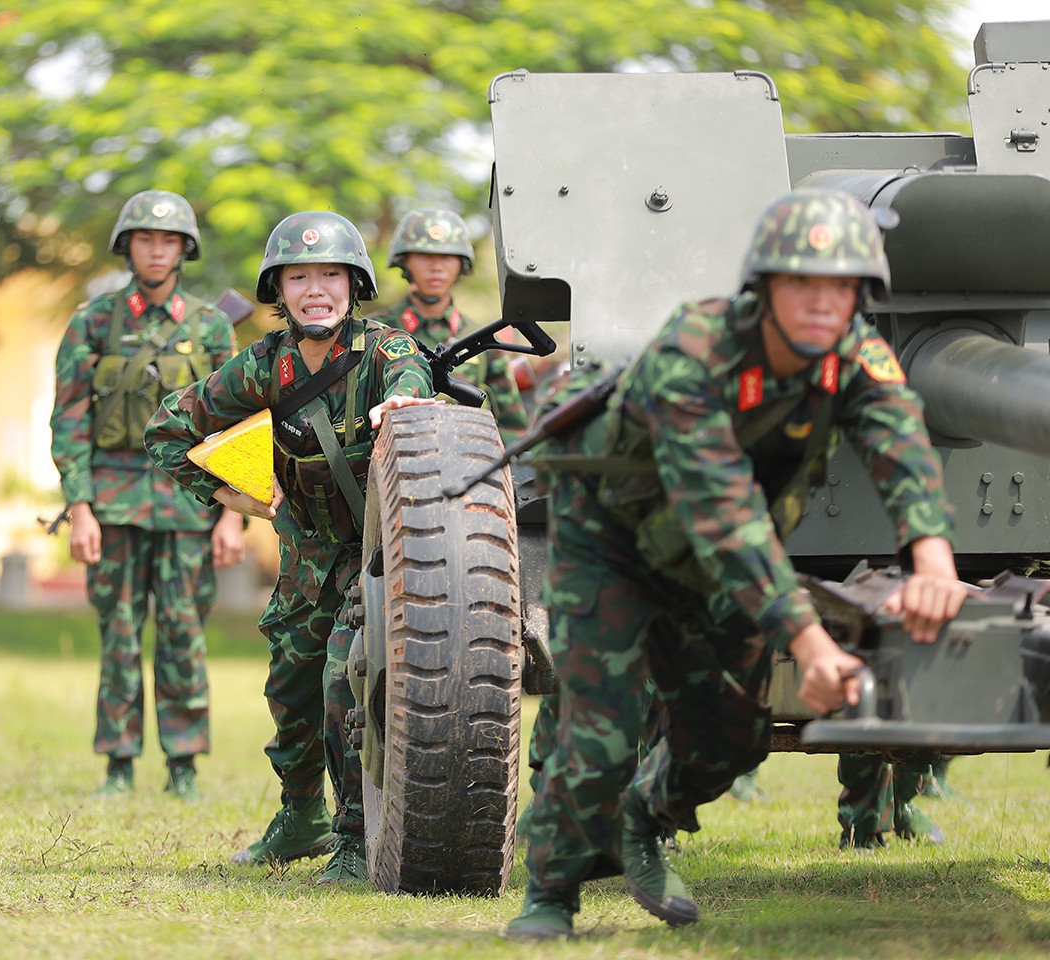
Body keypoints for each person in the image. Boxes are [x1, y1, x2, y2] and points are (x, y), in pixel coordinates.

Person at [507, 189, 968, 940]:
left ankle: (642, 821)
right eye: (802, 283)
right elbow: (724, 515)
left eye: (842, 286)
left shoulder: (856, 352)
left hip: (714, 565)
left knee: (732, 734)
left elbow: (901, 445)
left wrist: (933, 556)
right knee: (602, 734)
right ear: (765, 287)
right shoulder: (694, 352)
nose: (824, 303)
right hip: (614, 545)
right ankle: (552, 892)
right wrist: (811, 643)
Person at [144, 211, 437, 884]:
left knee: (345, 689)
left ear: (353, 283)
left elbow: (412, 384)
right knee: (292, 695)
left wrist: (402, 406)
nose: (315, 289)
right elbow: (168, 428)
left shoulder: (384, 351)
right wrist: (231, 495)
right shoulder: (264, 364)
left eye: (329, 274)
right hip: (304, 562)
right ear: (279, 288)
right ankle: (299, 817)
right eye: (298, 276)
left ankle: (356, 838)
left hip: (375, 557)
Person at [50, 189, 244, 801]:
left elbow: (238, 426)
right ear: (127, 246)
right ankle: (119, 763)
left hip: (190, 504)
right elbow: (70, 420)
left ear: (184, 249)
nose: (157, 250)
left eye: (168, 241)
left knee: (184, 632)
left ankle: (183, 763)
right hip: (111, 503)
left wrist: (232, 517)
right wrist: (79, 507)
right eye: (145, 239)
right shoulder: (93, 322)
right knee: (121, 634)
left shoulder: (211, 326)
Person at [369, 208, 530, 444]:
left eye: (446, 257)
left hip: (467, 460)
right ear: (405, 262)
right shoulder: (376, 331)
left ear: (461, 265)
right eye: (425, 256)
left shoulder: (482, 338)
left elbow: (512, 428)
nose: (436, 267)